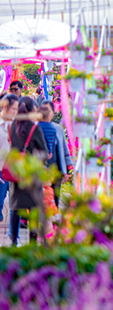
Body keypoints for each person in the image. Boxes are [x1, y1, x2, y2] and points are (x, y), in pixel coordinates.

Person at [8, 96, 46, 247]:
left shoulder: (12, 126)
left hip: (15, 172)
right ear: (31, 110)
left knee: (15, 207)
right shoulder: (34, 128)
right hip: (31, 173)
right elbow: (44, 151)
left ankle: (13, 240)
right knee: (33, 206)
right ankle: (32, 239)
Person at [39, 101, 71, 209]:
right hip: (41, 168)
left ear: (53, 113)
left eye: (49, 111)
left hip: (56, 167)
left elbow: (64, 150)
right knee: (42, 196)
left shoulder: (58, 128)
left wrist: (66, 169)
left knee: (55, 195)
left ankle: (54, 220)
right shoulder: (37, 127)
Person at [0, 94, 19, 224]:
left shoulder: (16, 126)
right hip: (0, 171)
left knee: (15, 205)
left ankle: (13, 235)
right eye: (14, 109)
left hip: (13, 171)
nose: (16, 112)